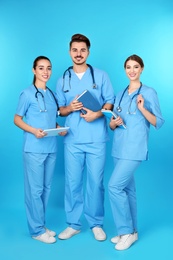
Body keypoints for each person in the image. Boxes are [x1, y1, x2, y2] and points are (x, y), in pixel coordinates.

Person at [56, 34, 115, 241]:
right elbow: (59, 111)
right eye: (75, 50)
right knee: (72, 183)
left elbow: (110, 102)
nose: (78, 54)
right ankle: (73, 224)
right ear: (70, 52)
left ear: (88, 52)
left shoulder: (100, 76)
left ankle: (96, 223)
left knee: (95, 183)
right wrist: (69, 107)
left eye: (82, 50)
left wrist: (98, 114)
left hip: (96, 138)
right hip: (73, 139)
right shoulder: (63, 79)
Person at [108, 54, 164, 250]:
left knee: (114, 187)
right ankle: (133, 231)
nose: (132, 70)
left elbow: (158, 122)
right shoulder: (121, 93)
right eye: (128, 67)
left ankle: (125, 232)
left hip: (135, 148)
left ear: (141, 69)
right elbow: (113, 121)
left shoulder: (148, 93)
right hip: (118, 147)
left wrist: (142, 109)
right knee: (128, 190)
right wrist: (113, 123)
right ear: (125, 70)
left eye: (135, 67)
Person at [14, 56, 67, 244]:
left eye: (49, 68)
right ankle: (36, 230)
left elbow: (48, 118)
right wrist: (33, 131)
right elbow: (17, 119)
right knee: (34, 191)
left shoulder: (51, 94)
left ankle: (40, 224)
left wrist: (58, 128)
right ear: (34, 70)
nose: (46, 72)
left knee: (46, 188)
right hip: (34, 148)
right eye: (41, 68)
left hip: (51, 147)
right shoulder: (27, 94)